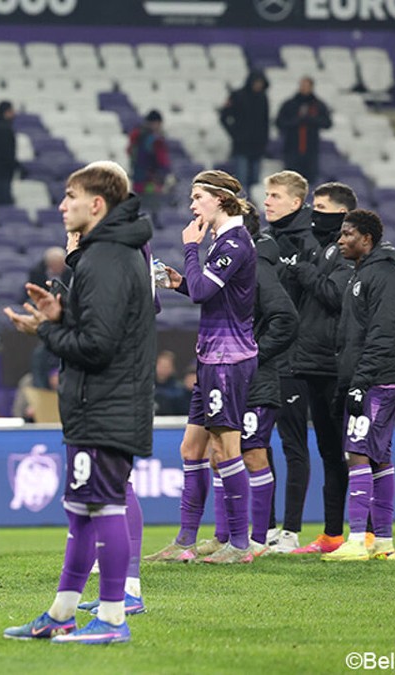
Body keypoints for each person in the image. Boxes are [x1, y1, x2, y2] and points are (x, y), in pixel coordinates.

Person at [1, 163, 154, 644]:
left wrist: (46, 330)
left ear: (97, 204)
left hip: (106, 401)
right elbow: (100, 326)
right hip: (100, 401)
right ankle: (62, 612)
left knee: (103, 507)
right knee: (83, 508)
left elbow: (98, 345)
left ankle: (112, 618)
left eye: (71, 196)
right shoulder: (105, 253)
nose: (62, 205)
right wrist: (61, 313)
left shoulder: (106, 257)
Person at [146, 170, 258, 565]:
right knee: (191, 448)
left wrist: (190, 250)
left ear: (220, 199)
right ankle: (185, 543)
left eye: (198, 197)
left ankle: (240, 546)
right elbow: (202, 291)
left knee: (226, 448)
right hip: (211, 356)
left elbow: (202, 292)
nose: (192, 205)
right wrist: (179, 282)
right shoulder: (223, 241)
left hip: (229, 358)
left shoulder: (234, 242)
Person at [196, 210, 298, 558]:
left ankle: (258, 539)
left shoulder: (259, 267)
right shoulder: (229, 266)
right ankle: (224, 536)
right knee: (218, 454)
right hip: (228, 372)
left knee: (252, 454)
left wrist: (254, 353)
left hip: (255, 376)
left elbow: (286, 318)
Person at [265, 174, 355, 554]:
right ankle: (270, 528)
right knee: (266, 442)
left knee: (315, 447)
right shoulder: (273, 240)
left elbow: (332, 297)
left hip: (315, 360)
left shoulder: (325, 247)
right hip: (287, 356)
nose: (267, 201)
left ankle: (297, 530)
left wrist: (302, 271)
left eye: (275, 195)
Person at [322, 209, 395, 562]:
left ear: (367, 239)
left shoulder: (384, 275)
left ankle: (359, 539)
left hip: (377, 378)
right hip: (373, 376)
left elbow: (385, 333)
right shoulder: (363, 273)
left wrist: (360, 381)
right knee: (379, 456)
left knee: (358, 452)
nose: (340, 240)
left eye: (347, 234)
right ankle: (384, 542)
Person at [219, 70, 269, 191]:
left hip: (258, 145)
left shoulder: (263, 98)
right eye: (256, 82)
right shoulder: (237, 96)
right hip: (241, 145)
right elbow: (224, 117)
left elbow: (265, 121)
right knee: (241, 181)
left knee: (255, 183)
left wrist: (265, 139)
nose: (258, 85)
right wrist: (235, 134)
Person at [274, 77, 331, 183]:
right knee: (291, 182)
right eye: (302, 86)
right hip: (292, 149)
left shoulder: (318, 105)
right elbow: (279, 122)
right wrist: (295, 122)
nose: (304, 88)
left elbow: (327, 123)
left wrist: (311, 120)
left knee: (310, 181)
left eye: (307, 86)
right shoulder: (289, 104)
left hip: (311, 150)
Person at [127, 110, 170, 216]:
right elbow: (163, 161)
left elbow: (129, 152)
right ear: (156, 123)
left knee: (139, 213)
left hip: (137, 181)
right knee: (152, 213)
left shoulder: (136, 136)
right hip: (151, 182)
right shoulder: (155, 140)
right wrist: (165, 174)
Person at [154, 350, 191, 415]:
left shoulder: (180, 390)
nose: (163, 369)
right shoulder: (146, 387)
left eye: (166, 366)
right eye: (161, 365)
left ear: (173, 368)